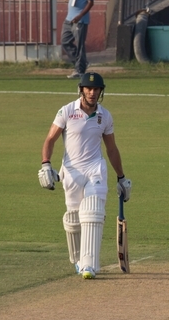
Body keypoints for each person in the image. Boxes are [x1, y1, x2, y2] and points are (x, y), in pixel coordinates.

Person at [38, 72, 132, 279]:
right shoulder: (66, 111)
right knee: (74, 220)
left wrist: (121, 177)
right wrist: (46, 164)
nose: (92, 92)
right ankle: (78, 261)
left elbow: (112, 149)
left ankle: (89, 264)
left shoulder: (105, 116)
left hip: (95, 168)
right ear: (81, 90)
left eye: (96, 89)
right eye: (88, 89)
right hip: (71, 172)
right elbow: (50, 140)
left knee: (93, 210)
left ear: (101, 91)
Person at [61, 0, 94, 80]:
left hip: (80, 20)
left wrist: (80, 16)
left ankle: (79, 70)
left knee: (80, 45)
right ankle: (82, 62)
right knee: (65, 42)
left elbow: (90, 2)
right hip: (69, 19)